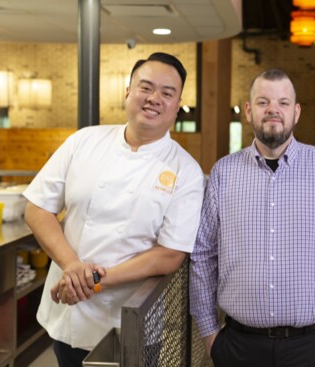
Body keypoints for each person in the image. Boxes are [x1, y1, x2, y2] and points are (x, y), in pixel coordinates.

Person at [23, 52, 205, 367]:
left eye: (166, 92)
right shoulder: (84, 141)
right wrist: (72, 267)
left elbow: (170, 254)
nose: (154, 98)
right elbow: (37, 208)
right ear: (127, 92)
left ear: (177, 105)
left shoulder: (186, 171)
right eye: (145, 87)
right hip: (69, 311)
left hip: (129, 319)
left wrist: (90, 280)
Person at [189, 68, 315, 367]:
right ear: (249, 111)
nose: (273, 109)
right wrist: (209, 332)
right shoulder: (223, 172)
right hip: (237, 347)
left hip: (313, 347)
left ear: (296, 112)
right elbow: (203, 254)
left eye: (283, 103)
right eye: (263, 102)